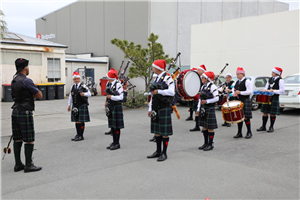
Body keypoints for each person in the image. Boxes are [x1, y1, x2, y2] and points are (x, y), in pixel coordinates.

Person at [11, 58, 43, 173]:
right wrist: (32, 95)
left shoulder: (14, 80)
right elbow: (39, 95)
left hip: (15, 112)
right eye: (28, 66)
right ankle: (28, 165)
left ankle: (18, 164)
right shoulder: (26, 80)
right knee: (29, 139)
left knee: (17, 138)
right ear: (25, 68)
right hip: (25, 112)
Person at [147, 60, 175, 161]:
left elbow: (172, 92)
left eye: (153, 67)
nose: (152, 68)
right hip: (156, 107)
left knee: (164, 132)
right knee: (157, 131)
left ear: (158, 68)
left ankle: (164, 153)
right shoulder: (157, 78)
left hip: (164, 107)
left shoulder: (167, 78)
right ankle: (158, 151)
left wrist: (159, 91)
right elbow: (152, 95)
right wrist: (150, 108)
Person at [257, 67, 285, 132]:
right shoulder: (270, 79)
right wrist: (265, 89)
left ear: (276, 73)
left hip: (274, 97)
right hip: (267, 97)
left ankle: (271, 127)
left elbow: (282, 90)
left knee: (272, 113)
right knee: (265, 112)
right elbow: (266, 87)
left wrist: (273, 91)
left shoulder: (280, 80)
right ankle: (263, 126)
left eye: (273, 72)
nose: (271, 73)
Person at [196, 71, 219, 151]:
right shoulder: (203, 87)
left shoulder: (213, 87)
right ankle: (205, 143)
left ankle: (210, 144)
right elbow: (200, 99)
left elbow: (217, 98)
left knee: (210, 128)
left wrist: (207, 101)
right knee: (204, 127)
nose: (202, 78)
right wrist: (198, 109)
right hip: (203, 109)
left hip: (209, 109)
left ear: (207, 79)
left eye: (203, 77)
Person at [68, 71, 91, 141]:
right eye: (75, 79)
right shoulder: (72, 87)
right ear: (73, 80)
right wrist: (69, 105)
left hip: (82, 105)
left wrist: (84, 94)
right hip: (75, 105)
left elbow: (89, 94)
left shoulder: (83, 86)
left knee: (81, 121)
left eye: (77, 79)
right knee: (76, 121)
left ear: (79, 79)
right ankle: (77, 135)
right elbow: (70, 96)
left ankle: (81, 135)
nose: (76, 80)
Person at [105, 68, 124, 150]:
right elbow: (107, 95)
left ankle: (117, 143)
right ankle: (114, 142)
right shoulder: (108, 84)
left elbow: (121, 97)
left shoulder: (118, 85)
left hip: (117, 106)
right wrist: (106, 101)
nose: (106, 78)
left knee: (116, 126)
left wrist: (111, 97)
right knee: (112, 126)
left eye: (107, 76)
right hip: (111, 106)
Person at [232, 67, 253, 139]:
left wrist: (240, 92)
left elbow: (250, 91)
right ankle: (239, 132)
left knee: (246, 117)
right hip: (238, 101)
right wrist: (234, 93)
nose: (237, 76)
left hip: (245, 100)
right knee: (239, 117)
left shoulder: (247, 81)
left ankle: (249, 132)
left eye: (238, 74)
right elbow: (234, 90)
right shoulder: (237, 82)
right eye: (236, 74)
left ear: (242, 74)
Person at [190, 65, 206, 132]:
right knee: (197, 112)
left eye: (199, 70)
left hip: (202, 97)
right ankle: (197, 126)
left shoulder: (205, 78)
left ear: (203, 71)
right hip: (197, 97)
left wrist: (201, 92)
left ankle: (204, 126)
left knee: (203, 113)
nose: (197, 71)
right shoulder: (197, 77)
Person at [149, 73, 158, 142]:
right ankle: (155, 136)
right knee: (155, 121)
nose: (154, 79)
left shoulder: (159, 85)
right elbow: (152, 99)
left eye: (155, 77)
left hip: (159, 106)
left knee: (158, 123)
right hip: (154, 106)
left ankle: (157, 137)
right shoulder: (153, 85)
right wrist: (150, 109)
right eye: (153, 77)